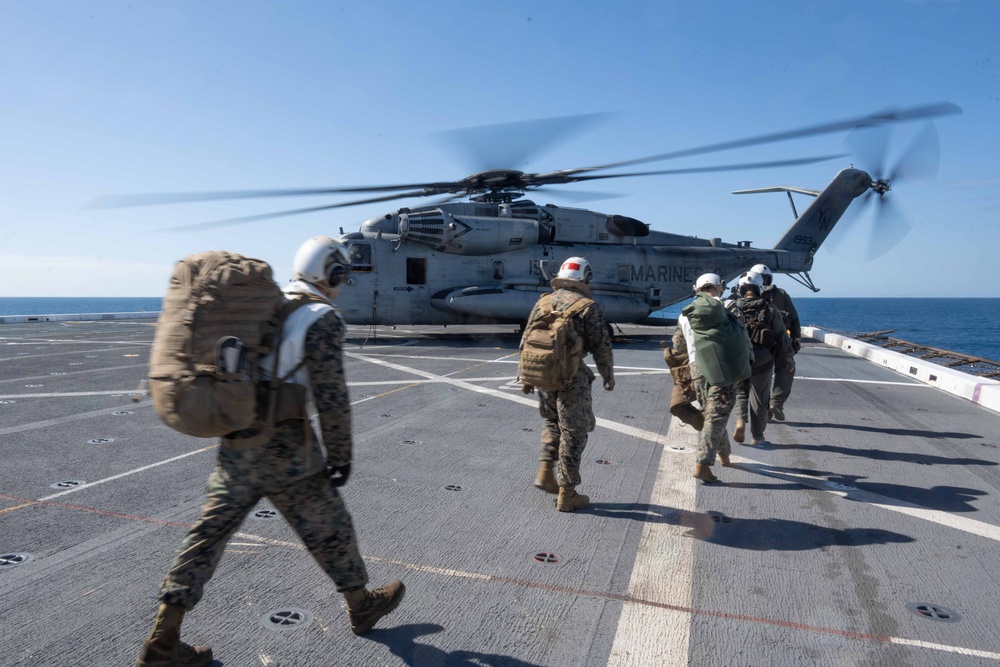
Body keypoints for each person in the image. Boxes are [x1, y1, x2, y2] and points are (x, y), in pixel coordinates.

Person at [135, 237, 405, 667]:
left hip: (239, 439)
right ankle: (361, 604)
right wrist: (341, 453)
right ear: (332, 274)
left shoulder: (268, 305)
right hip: (288, 450)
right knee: (330, 528)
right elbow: (331, 394)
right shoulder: (322, 317)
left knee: (207, 536)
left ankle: (164, 638)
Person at [522, 256, 614, 512]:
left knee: (552, 422)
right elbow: (601, 347)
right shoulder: (588, 306)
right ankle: (567, 492)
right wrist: (608, 375)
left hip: (544, 373)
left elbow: (526, 338)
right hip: (572, 378)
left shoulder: (543, 302)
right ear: (585, 279)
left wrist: (527, 377)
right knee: (574, 432)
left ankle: (545, 471)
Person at [673, 273, 751, 483]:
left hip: (696, 369)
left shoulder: (686, 313)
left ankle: (724, 454)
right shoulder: (728, 307)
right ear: (720, 287)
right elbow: (742, 336)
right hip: (723, 368)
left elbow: (678, 346)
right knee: (717, 416)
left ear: (696, 288)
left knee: (713, 415)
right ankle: (703, 463)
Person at [729, 271, 793, 446]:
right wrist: (788, 358)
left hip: (739, 359)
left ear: (741, 289)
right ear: (759, 288)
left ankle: (740, 421)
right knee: (760, 397)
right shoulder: (769, 309)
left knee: (741, 392)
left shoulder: (733, 307)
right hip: (763, 360)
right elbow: (782, 337)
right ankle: (757, 436)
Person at [749, 264, 801, 421]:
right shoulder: (780, 294)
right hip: (780, 342)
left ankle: (764, 409)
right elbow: (793, 318)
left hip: (756, 346)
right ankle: (776, 403)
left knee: (760, 381)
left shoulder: (746, 294)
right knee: (786, 370)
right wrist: (796, 338)